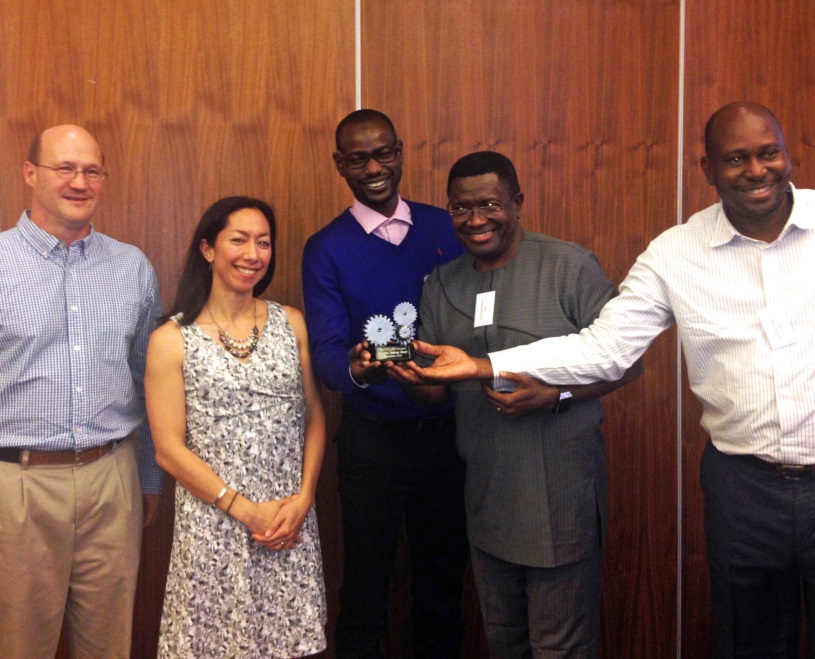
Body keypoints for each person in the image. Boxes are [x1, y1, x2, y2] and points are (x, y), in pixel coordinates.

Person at [404, 102, 815, 658]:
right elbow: (608, 347)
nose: (756, 170)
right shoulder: (676, 254)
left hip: (568, 496)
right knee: (752, 642)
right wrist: (482, 366)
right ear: (708, 168)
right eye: (736, 158)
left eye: (768, 154)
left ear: (788, 154)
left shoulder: (566, 265)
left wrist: (536, 387)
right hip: (742, 488)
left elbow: (612, 363)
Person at [390, 151, 641, 657]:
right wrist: (409, 376)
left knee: (559, 649)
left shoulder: (570, 267)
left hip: (560, 496)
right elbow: (435, 391)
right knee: (505, 645)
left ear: (518, 203)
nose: (476, 220)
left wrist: (556, 395)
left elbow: (626, 362)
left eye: (489, 204)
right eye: (461, 209)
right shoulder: (442, 283)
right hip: (487, 500)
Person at [301, 109, 468, 658]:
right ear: (339, 164)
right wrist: (355, 367)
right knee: (366, 588)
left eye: (383, 153)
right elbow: (325, 354)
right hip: (373, 438)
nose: (374, 167)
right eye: (357, 158)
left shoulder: (445, 227)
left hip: (450, 435)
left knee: (443, 587)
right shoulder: (326, 248)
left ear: (400, 150)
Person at [0, 124, 163, 658]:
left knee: (109, 645)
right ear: (29, 174)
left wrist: (145, 477)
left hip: (111, 480)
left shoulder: (131, 268)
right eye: (64, 168)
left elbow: (146, 382)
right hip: (17, 487)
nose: (79, 182)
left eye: (92, 170)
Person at [145, 196, 327, 657]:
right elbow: (168, 449)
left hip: (288, 526)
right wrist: (245, 511)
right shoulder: (171, 339)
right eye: (239, 240)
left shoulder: (293, 323)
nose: (253, 254)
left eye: (263, 243)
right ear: (208, 249)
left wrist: (304, 498)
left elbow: (314, 417)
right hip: (213, 527)